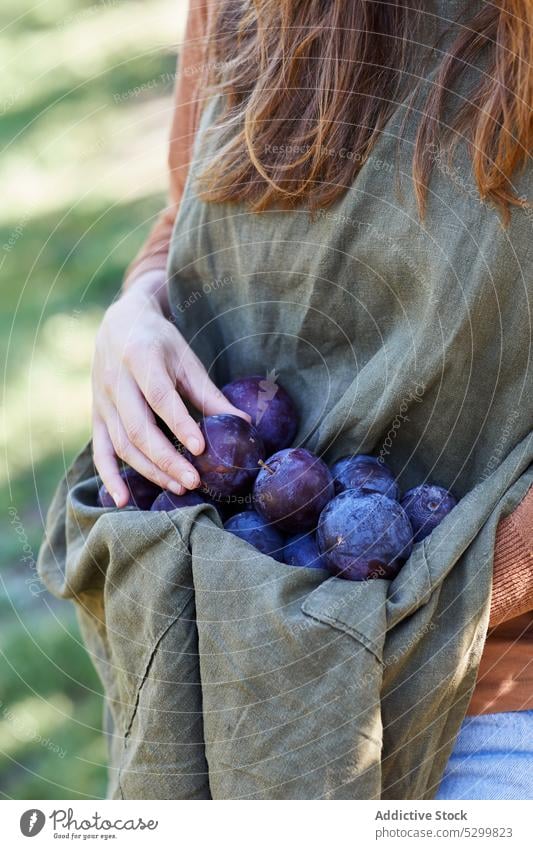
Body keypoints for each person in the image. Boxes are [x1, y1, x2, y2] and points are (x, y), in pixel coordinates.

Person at [90, 0, 532, 798]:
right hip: (228, 678)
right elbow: (191, 205)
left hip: (484, 694)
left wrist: (426, 591)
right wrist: (139, 308)